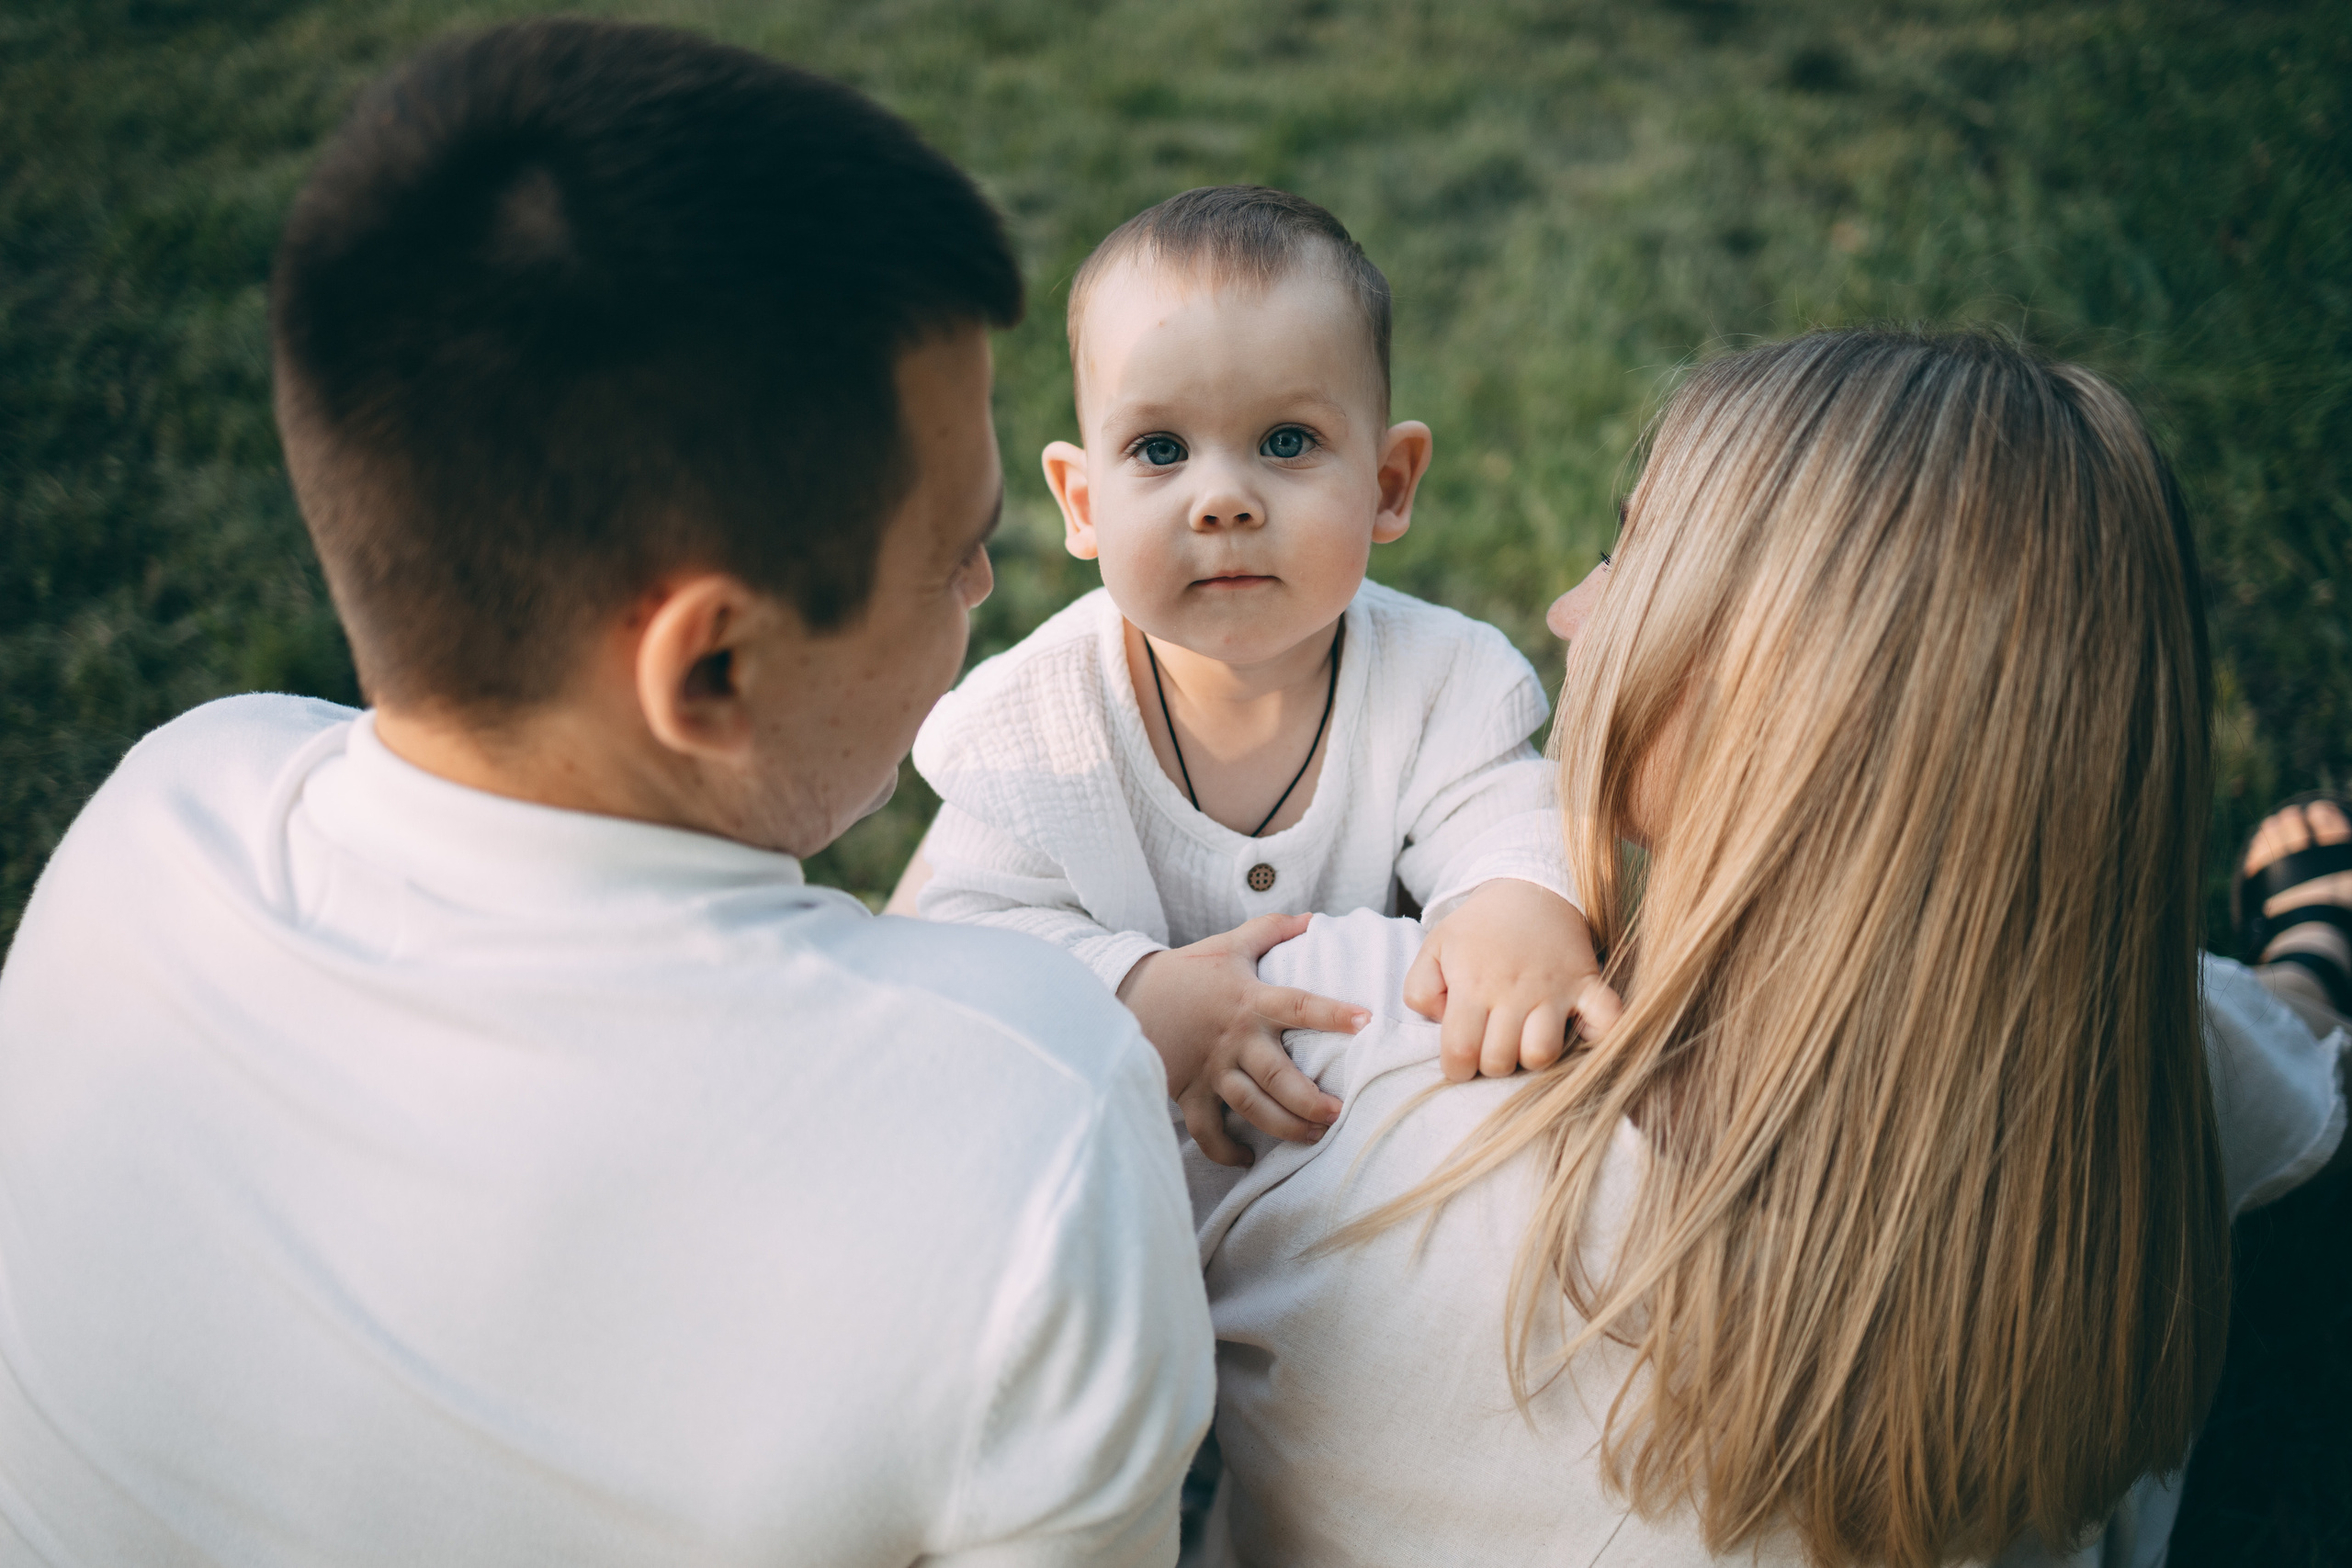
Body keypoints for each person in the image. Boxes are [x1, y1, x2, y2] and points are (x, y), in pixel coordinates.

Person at [0, 21, 1213, 1565]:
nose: (990, 580)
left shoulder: (152, 817)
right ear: (710, 667)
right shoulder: (1028, 1119)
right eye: (955, 550)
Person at [1184, 329, 2348, 1566]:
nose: (1567, 611)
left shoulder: (1341, 1056)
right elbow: (2295, 1056)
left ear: (1779, 698)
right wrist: (2310, 960)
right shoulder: (2138, 1095)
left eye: (1625, 553)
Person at [900, 186, 1621, 1168]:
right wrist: (1130, 987)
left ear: (1388, 485)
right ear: (1080, 502)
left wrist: (1512, 899)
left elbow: (1502, 816)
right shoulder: (1035, 727)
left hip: (1342, 1154)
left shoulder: (1443, 680)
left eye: (1287, 442)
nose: (1224, 500)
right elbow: (965, 934)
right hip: (1117, 1159)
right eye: (1159, 450)